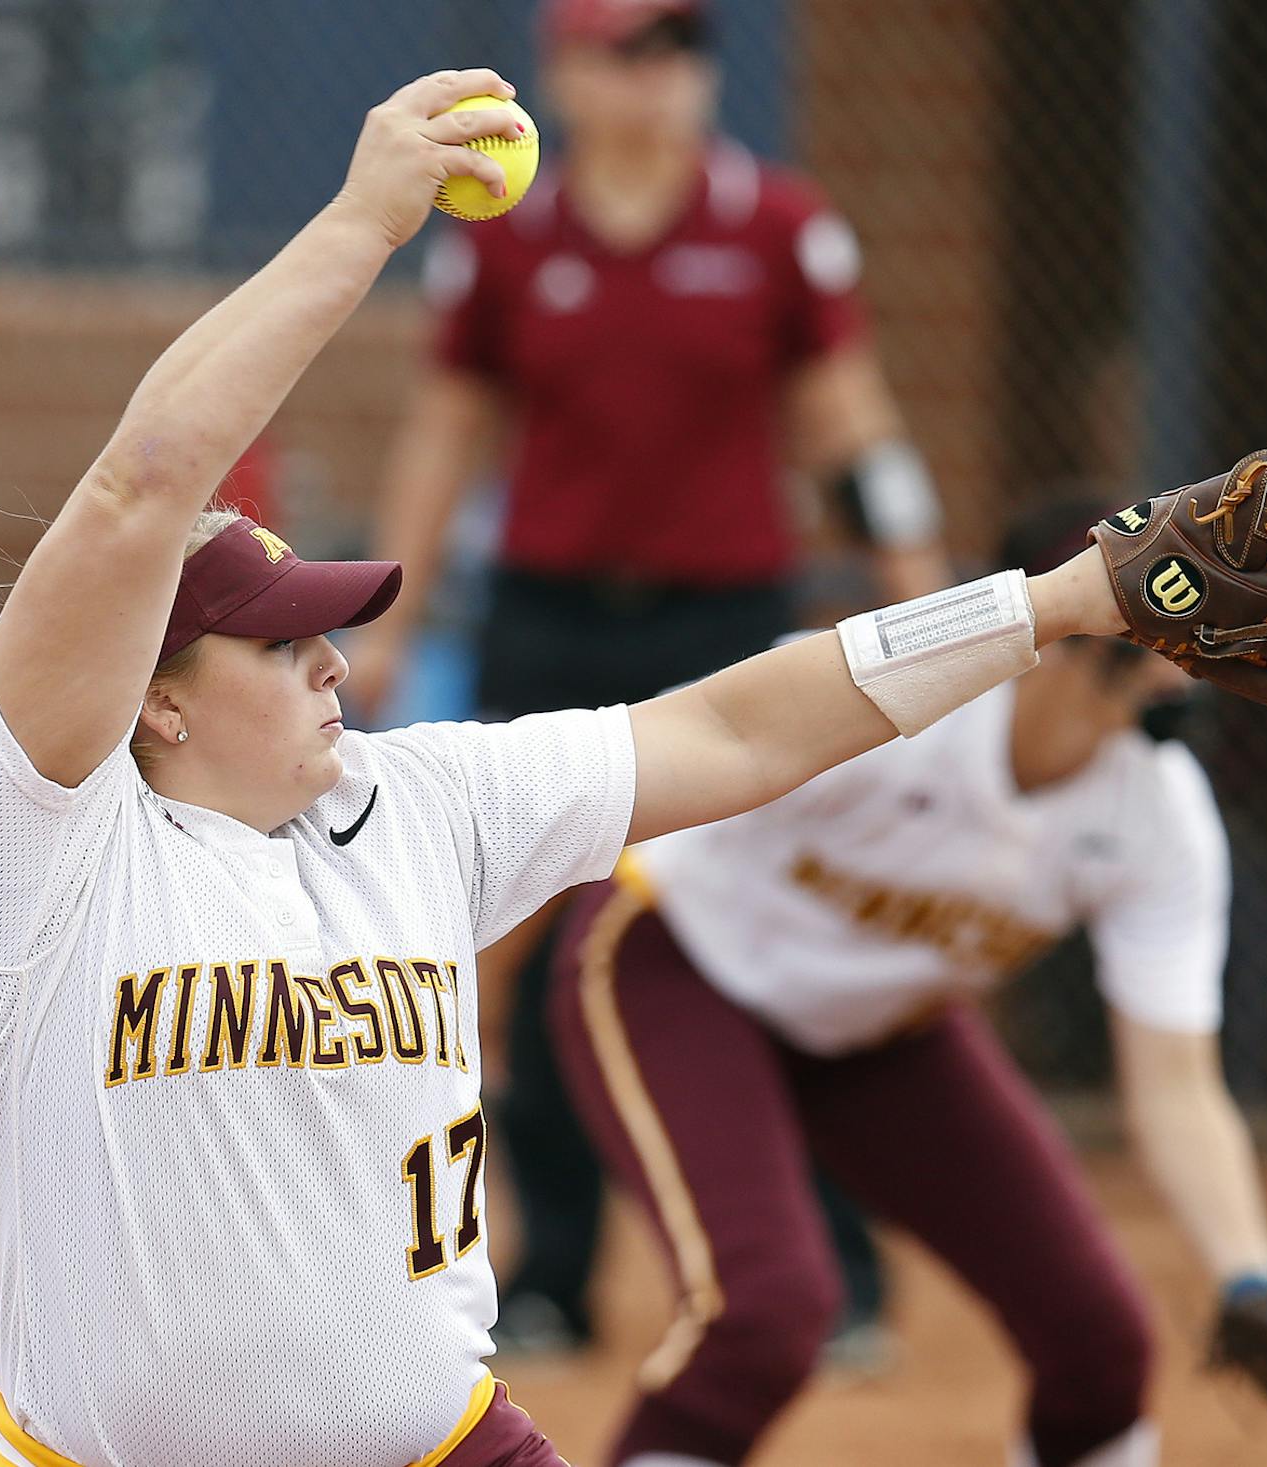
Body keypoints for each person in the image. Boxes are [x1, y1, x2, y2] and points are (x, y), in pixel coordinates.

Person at [0, 69, 1139, 1467]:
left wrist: (1061, 605)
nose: (334, 664)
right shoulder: (37, 849)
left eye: (329, 636)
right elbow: (140, 488)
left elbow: (743, 727)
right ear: (155, 702)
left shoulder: (420, 806)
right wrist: (366, 222)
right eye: (285, 646)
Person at [359, 0, 948, 1357]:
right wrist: (391, 605)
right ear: (565, 76)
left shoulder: (777, 225)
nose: (667, 77)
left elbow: (851, 421)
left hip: (729, 631)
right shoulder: (508, 238)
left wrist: (916, 579)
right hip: (554, 623)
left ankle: (833, 1270)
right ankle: (559, 1269)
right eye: (631, 51)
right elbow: (447, 433)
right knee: (557, 939)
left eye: (685, 49)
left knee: (761, 933)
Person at [547, 504, 1267, 1467]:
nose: (1192, 659)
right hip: (680, 966)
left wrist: (1252, 1280)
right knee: (766, 1313)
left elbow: (1176, 1082)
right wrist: (478, 982)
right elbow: (622, 782)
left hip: (881, 1031)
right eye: (1166, 622)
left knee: (1099, 1343)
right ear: (1068, 634)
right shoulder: (901, 707)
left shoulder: (1160, 814)